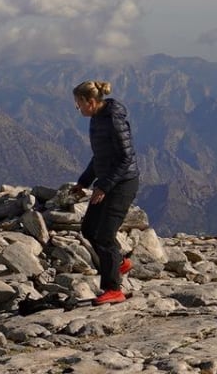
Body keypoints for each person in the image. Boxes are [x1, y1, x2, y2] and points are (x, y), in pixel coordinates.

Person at [71, 79, 140, 305]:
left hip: (122, 183)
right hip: (108, 181)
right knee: (89, 228)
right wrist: (83, 182)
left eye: (79, 103)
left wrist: (103, 186)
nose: (77, 108)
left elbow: (125, 158)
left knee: (104, 234)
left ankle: (114, 289)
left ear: (90, 102)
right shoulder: (96, 120)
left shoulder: (113, 120)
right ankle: (118, 262)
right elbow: (99, 156)